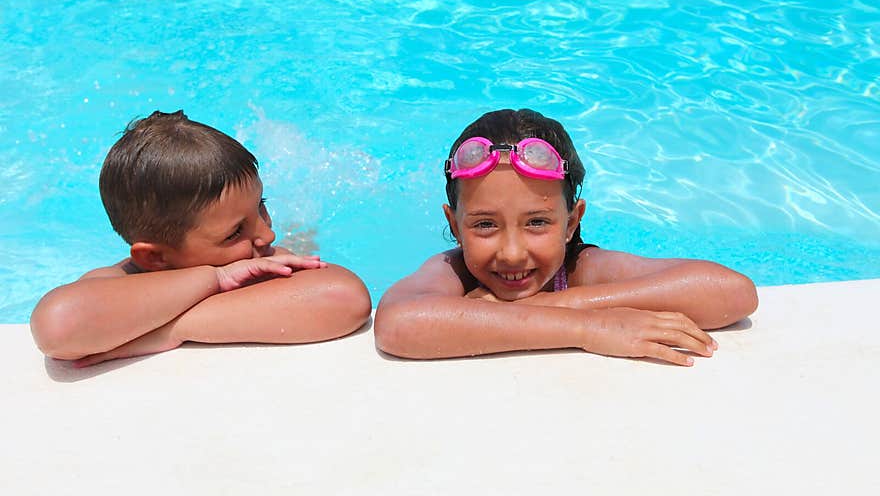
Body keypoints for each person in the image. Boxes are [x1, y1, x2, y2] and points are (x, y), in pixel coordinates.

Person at [374, 108, 758, 366]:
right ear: (455, 226)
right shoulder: (453, 271)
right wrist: (588, 327)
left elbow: (732, 292)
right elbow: (398, 325)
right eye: (485, 225)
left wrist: (561, 302)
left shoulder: (580, 269)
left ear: (572, 222)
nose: (511, 253)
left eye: (537, 223)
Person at [31, 110, 372, 367]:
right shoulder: (121, 280)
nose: (267, 233)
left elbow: (345, 298)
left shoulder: (261, 260)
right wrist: (216, 278)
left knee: (303, 242)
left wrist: (169, 330)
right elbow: (57, 326)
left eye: (262, 206)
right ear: (155, 258)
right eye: (236, 231)